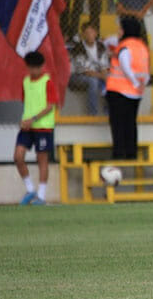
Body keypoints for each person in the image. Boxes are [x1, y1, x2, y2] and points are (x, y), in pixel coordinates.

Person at [14, 51, 57, 205]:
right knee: (18, 156)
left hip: (43, 127)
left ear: (41, 67)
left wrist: (34, 119)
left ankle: (42, 195)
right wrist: (25, 120)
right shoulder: (26, 82)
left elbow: (51, 106)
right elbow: (26, 103)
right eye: (31, 67)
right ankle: (30, 189)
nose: (34, 71)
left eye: (36, 68)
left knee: (42, 160)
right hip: (27, 127)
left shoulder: (47, 82)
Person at [106, 16, 151, 160]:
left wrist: (134, 82)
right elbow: (146, 70)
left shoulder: (124, 46)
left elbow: (125, 66)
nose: (118, 32)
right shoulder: (142, 47)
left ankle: (119, 154)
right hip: (135, 94)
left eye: (121, 29)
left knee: (118, 124)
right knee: (131, 124)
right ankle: (131, 154)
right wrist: (140, 85)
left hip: (118, 91)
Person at [67, 20, 108, 115]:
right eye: (87, 33)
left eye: (91, 32)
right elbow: (85, 71)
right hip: (76, 77)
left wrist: (106, 76)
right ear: (83, 35)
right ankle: (92, 114)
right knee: (93, 81)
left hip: (97, 75)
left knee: (113, 79)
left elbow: (104, 67)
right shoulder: (78, 48)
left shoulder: (101, 46)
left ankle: (108, 112)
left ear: (96, 33)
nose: (90, 35)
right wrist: (103, 77)